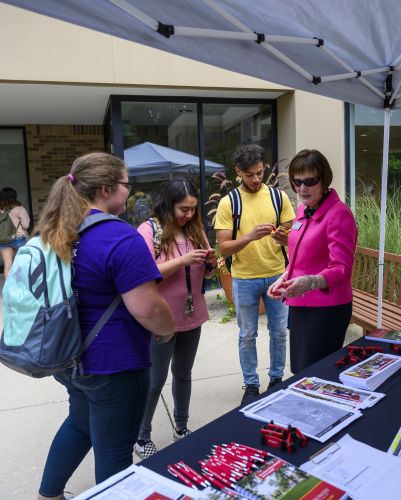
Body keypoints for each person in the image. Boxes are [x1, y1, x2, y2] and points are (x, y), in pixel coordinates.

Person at [36, 153, 175, 500]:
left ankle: (47, 496)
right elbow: (147, 307)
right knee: (114, 449)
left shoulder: (56, 232)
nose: (129, 192)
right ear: (105, 188)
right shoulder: (120, 237)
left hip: (67, 356)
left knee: (80, 424)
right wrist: (168, 329)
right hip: (114, 364)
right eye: (127, 184)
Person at [134, 178, 217, 459]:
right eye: (184, 209)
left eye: (193, 209)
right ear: (168, 204)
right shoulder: (149, 230)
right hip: (160, 318)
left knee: (183, 374)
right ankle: (141, 435)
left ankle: (181, 427)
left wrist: (209, 265)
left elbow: (205, 274)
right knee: (154, 380)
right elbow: (145, 274)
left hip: (191, 313)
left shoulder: (194, 229)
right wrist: (182, 261)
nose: (189, 215)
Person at [215, 144, 295, 405]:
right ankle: (251, 385)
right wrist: (249, 237)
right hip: (244, 278)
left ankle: (276, 379)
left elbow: (293, 237)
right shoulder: (230, 203)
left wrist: (285, 238)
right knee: (247, 335)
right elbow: (224, 246)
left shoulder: (277, 197)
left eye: (260, 172)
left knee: (279, 332)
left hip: (277, 275)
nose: (256, 179)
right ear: (238, 172)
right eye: (250, 174)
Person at [267, 149, 357, 373]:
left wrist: (308, 282)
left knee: (315, 374)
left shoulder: (339, 214)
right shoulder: (303, 211)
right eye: (297, 182)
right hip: (300, 305)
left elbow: (341, 269)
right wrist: (284, 278)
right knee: (300, 371)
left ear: (324, 179)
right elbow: (299, 255)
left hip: (327, 309)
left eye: (310, 181)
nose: (302, 188)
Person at [0, 187, 30, 278]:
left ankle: (8, 289)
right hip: (18, 238)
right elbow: (26, 225)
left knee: (8, 264)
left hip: (3, 239)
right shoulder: (19, 208)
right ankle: (21, 286)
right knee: (22, 263)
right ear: (14, 196)